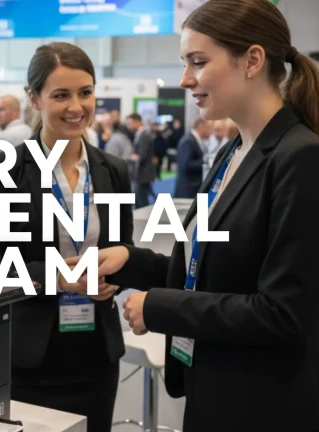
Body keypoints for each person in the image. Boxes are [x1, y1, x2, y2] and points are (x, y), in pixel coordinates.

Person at [67, 1, 319, 430]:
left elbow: (282, 314)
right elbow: (214, 273)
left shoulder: (300, 157)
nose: (185, 80)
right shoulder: (233, 152)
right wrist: (132, 261)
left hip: (262, 406)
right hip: (214, 394)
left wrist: (161, 307)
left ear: (252, 60)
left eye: (198, 63)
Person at [0, 42, 134, 432]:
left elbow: (123, 250)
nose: (76, 106)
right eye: (61, 95)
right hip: (28, 354)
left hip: (97, 351)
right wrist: (54, 277)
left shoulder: (112, 170)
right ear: (35, 98)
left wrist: (113, 276)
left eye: (85, 92)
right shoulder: (5, 172)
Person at [174, 118, 212, 198]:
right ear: (201, 126)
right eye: (209, 128)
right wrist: (206, 161)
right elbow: (185, 165)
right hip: (188, 189)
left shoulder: (195, 140)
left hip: (195, 187)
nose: (211, 131)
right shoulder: (188, 141)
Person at [125, 113, 155, 208]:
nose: (129, 126)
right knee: (139, 200)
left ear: (137, 121)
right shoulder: (139, 135)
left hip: (143, 174)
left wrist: (131, 157)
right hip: (140, 174)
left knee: (142, 202)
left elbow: (141, 156)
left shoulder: (144, 135)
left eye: (130, 123)